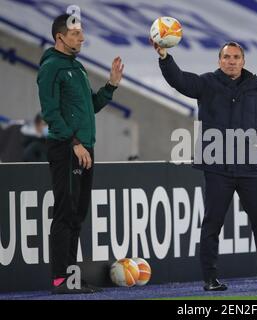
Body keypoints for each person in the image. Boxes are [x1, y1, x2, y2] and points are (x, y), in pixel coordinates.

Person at [153, 40, 257, 291]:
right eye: (227, 57)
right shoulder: (206, 83)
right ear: (219, 60)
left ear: (243, 61)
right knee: (212, 223)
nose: (231, 61)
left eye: (236, 57)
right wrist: (164, 56)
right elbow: (179, 80)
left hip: (249, 168)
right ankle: (210, 278)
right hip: (217, 166)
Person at [37, 13, 124, 294]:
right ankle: (59, 280)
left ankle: (70, 277)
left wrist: (111, 85)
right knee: (65, 213)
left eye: (81, 33)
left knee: (77, 214)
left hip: (83, 147)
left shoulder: (77, 67)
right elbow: (50, 112)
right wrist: (74, 142)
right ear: (60, 37)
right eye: (75, 34)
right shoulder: (51, 67)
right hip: (66, 147)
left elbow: (91, 105)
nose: (82, 38)